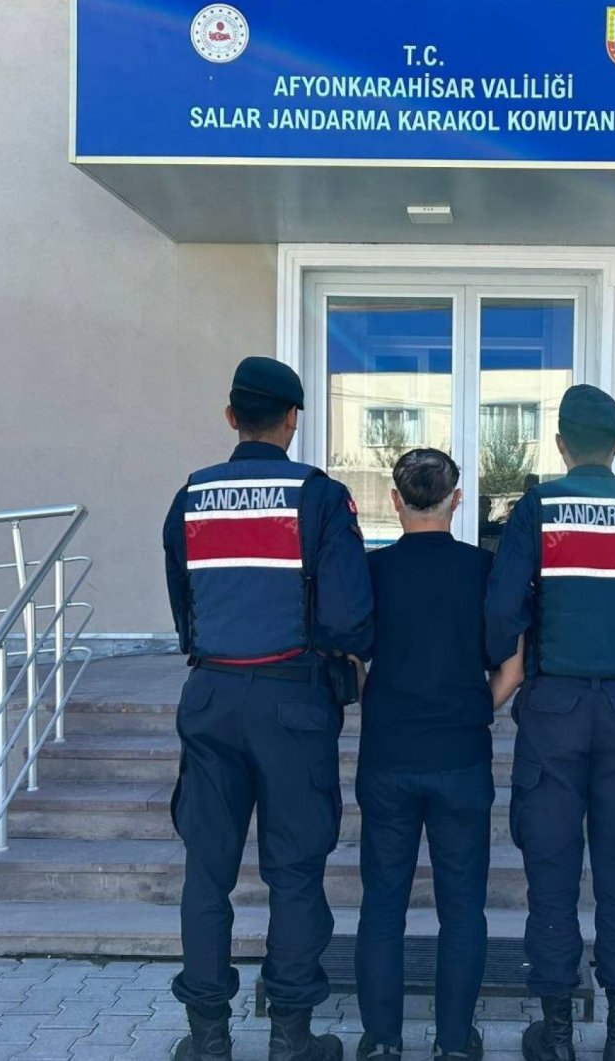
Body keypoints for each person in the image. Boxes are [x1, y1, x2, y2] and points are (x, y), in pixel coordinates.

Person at [162, 356, 374, 1061]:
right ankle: (291, 1037)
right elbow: (348, 616)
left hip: (212, 692)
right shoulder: (317, 495)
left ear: (230, 416)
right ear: (293, 419)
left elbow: (183, 606)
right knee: (294, 872)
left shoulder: (190, 496)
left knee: (207, 871)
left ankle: (209, 1039)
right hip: (292, 699)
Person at [483, 384, 615, 1061]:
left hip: (552, 713)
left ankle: (554, 1033)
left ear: (560, 443)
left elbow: (499, 607)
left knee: (551, 870)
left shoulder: (538, 508)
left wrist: (503, 669)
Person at [354, 448, 523, 1061]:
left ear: (396, 501)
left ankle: (381, 1040)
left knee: (382, 905)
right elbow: (513, 666)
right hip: (461, 757)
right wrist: (479, 709)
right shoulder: (485, 569)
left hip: (388, 757)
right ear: (456, 500)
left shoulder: (373, 572)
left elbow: (353, 660)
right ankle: (455, 1042)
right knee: (462, 910)